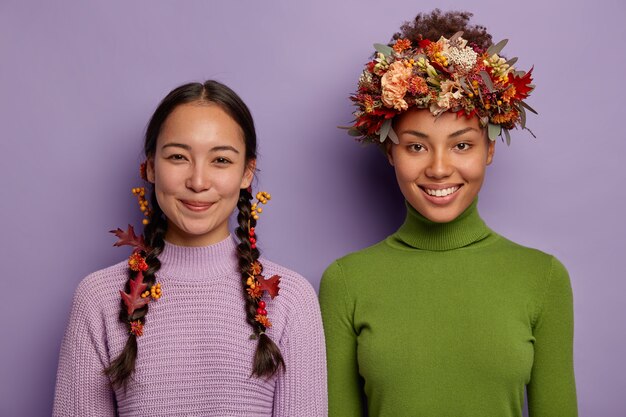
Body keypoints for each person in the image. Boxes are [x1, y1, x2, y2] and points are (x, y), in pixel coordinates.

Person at [319, 10, 577, 417]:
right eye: (416, 146)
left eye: (461, 145)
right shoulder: (345, 283)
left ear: (489, 149)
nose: (439, 168)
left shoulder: (543, 279)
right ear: (391, 152)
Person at [53, 80, 327, 416]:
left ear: (247, 173)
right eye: (178, 157)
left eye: (221, 160)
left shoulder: (290, 299)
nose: (198, 182)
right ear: (151, 167)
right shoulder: (98, 298)